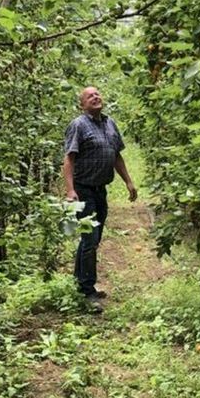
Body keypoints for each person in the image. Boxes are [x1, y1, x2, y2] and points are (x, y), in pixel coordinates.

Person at [62, 86, 137, 311]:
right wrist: (70, 190)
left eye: (97, 94)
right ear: (82, 104)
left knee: (92, 239)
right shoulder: (78, 125)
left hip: (100, 190)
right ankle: (87, 291)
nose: (95, 97)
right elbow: (69, 159)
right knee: (90, 239)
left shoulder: (109, 123)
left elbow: (116, 155)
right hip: (83, 190)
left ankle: (81, 282)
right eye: (89, 96)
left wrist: (128, 181)